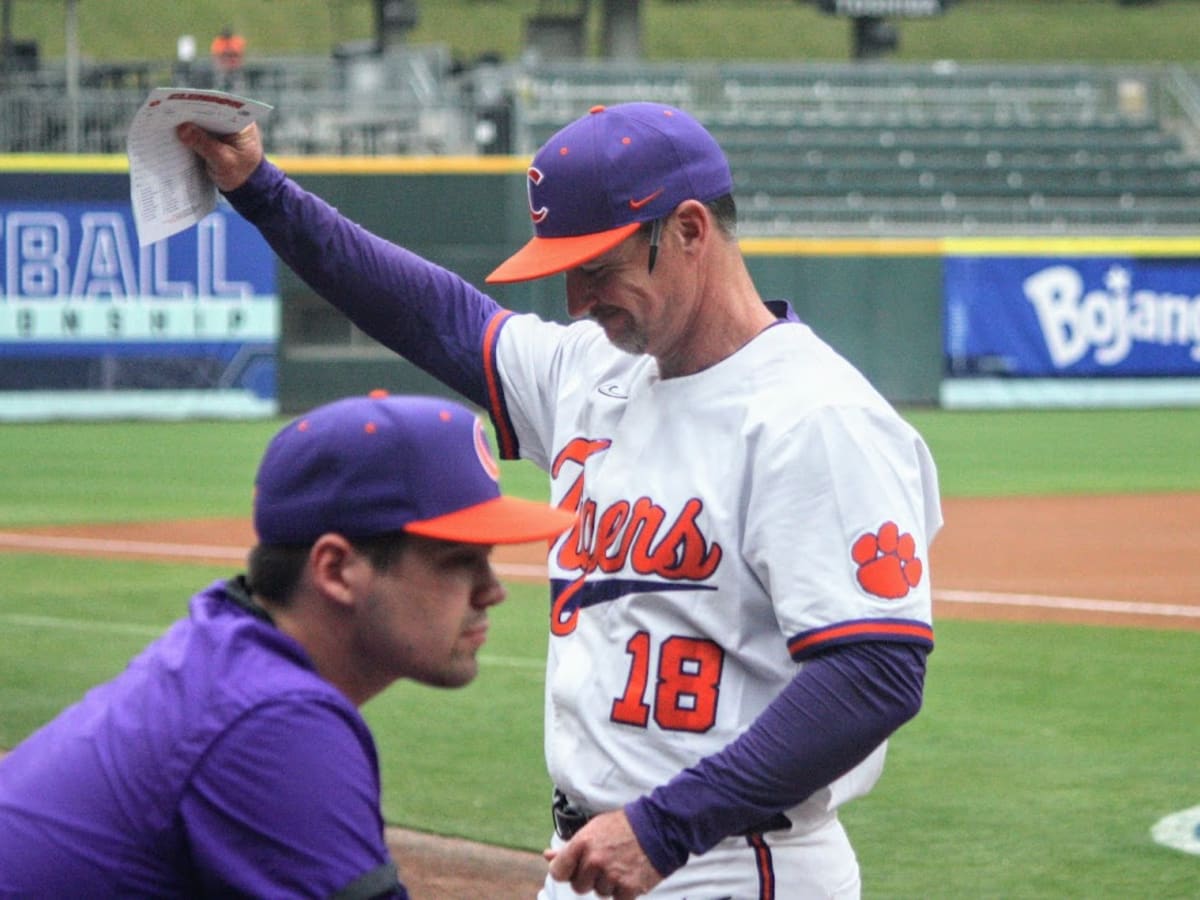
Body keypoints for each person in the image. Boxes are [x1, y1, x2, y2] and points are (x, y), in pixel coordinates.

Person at [176, 101, 943, 899]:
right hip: (598, 853)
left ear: (688, 230)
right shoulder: (591, 372)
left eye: (598, 266)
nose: (577, 299)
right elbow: (430, 314)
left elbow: (875, 671)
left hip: (731, 861)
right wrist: (261, 189)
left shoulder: (816, 418)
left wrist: (667, 826)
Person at [0, 393, 576, 897]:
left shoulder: (225, 646)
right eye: (457, 563)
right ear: (334, 568)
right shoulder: (270, 723)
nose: (492, 591)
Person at [210, 25, 245, 90]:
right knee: (220, 82)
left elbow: (237, 52)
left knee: (238, 84)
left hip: (235, 67)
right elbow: (217, 54)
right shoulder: (218, 41)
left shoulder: (236, 40)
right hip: (222, 68)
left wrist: (229, 52)